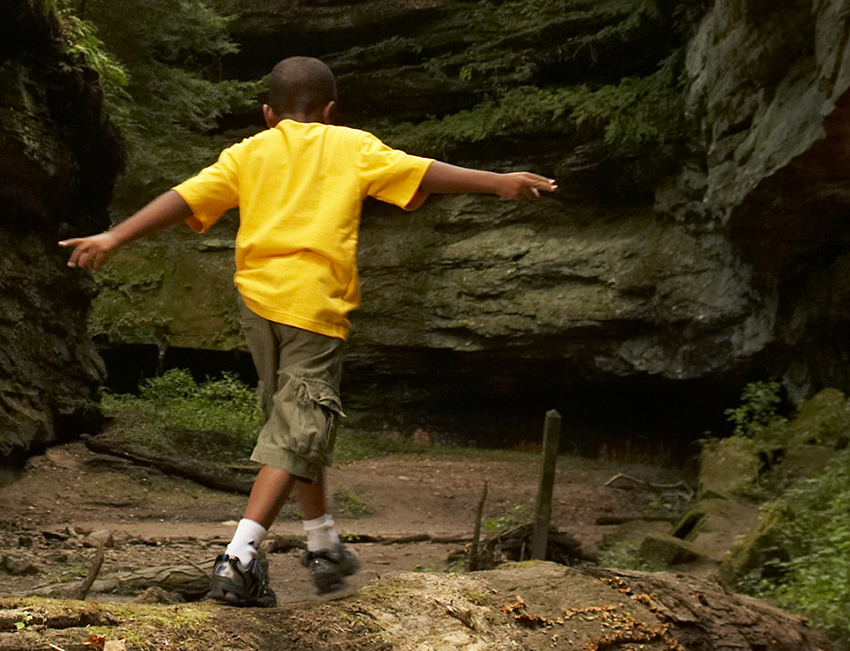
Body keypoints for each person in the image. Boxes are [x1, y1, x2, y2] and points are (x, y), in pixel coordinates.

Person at [62, 56, 556, 606]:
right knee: (299, 429)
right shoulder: (351, 146)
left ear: (269, 112)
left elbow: (185, 198)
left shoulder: (248, 153)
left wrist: (114, 237)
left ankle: (321, 543)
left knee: (298, 424)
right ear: (329, 110)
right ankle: (239, 559)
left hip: (258, 307)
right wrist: (499, 184)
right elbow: (423, 171)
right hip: (314, 307)